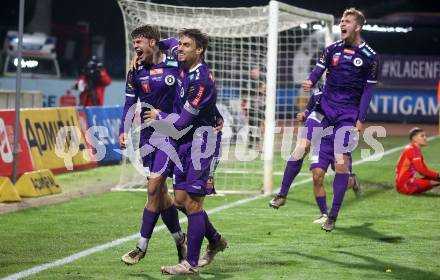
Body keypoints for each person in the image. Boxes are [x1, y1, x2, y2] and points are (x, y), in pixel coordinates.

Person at [270, 7, 379, 232]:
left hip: (347, 114)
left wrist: (360, 119)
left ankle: (332, 215)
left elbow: (367, 92)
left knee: (341, 164)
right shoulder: (332, 50)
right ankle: (282, 194)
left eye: (347, 21)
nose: (342, 24)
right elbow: (318, 70)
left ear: (357, 26)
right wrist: (310, 81)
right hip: (324, 108)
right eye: (341, 20)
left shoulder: (371, 57)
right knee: (301, 147)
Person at [145, 29, 227, 275]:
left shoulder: (201, 80)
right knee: (181, 201)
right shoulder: (181, 57)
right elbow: (166, 42)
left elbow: (181, 122)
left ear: (198, 50)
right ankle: (214, 239)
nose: (179, 48)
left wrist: (159, 116)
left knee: (192, 203)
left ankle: (190, 264)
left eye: (186, 45)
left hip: (200, 144)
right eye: (180, 45)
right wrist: (146, 46)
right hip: (182, 143)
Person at [118, 25, 186, 266]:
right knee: (161, 195)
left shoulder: (174, 62)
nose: (135, 47)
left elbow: (178, 42)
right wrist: (122, 131)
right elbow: (129, 104)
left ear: (153, 42)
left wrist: (162, 42)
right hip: (147, 137)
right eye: (134, 43)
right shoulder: (135, 71)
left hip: (170, 132)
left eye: (139, 42)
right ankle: (180, 239)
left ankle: (141, 246)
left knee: (153, 187)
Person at [396, 128, 440, 194]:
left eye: (425, 136)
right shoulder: (412, 150)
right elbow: (421, 171)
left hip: (407, 183)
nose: (425, 138)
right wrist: (438, 175)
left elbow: (424, 170)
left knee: (437, 179)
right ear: (414, 138)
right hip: (405, 185)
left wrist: (437, 175)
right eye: (422, 136)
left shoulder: (414, 149)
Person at [241, 65, 266, 149]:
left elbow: (264, 92)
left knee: (260, 125)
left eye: (255, 71)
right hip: (251, 106)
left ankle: (259, 143)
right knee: (251, 125)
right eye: (252, 72)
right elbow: (246, 93)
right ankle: (251, 143)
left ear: (259, 72)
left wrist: (261, 91)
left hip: (261, 106)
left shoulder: (263, 80)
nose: (253, 73)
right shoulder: (248, 82)